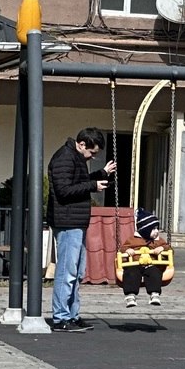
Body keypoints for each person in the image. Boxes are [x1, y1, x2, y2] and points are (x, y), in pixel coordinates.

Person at [45, 127, 116, 332]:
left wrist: (101, 174)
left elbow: (78, 182)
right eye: (91, 152)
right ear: (82, 144)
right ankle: (60, 317)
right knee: (67, 272)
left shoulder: (74, 158)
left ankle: (72, 315)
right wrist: (93, 186)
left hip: (75, 221)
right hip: (68, 221)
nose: (92, 157)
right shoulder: (65, 158)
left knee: (76, 273)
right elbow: (64, 190)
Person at [117, 209, 174, 308]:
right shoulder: (132, 240)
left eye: (157, 228)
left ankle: (154, 294)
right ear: (145, 230)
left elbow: (169, 249)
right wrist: (128, 250)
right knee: (131, 273)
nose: (157, 231)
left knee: (155, 273)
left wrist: (162, 248)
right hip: (135, 264)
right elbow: (122, 249)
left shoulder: (158, 241)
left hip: (151, 264)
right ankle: (130, 296)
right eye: (153, 229)